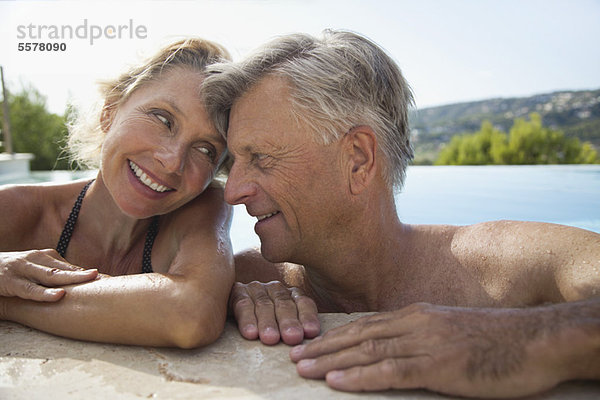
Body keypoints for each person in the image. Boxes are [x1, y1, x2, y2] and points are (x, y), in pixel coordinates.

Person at [201, 30, 600, 398]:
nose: (233, 192)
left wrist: (519, 338)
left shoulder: (502, 265)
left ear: (357, 159)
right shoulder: (246, 283)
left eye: (261, 158)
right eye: (233, 162)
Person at [0, 38, 238, 348]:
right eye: (163, 119)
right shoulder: (16, 210)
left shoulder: (201, 211)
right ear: (109, 113)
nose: (173, 161)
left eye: (206, 150)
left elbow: (191, 314)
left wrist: (9, 299)